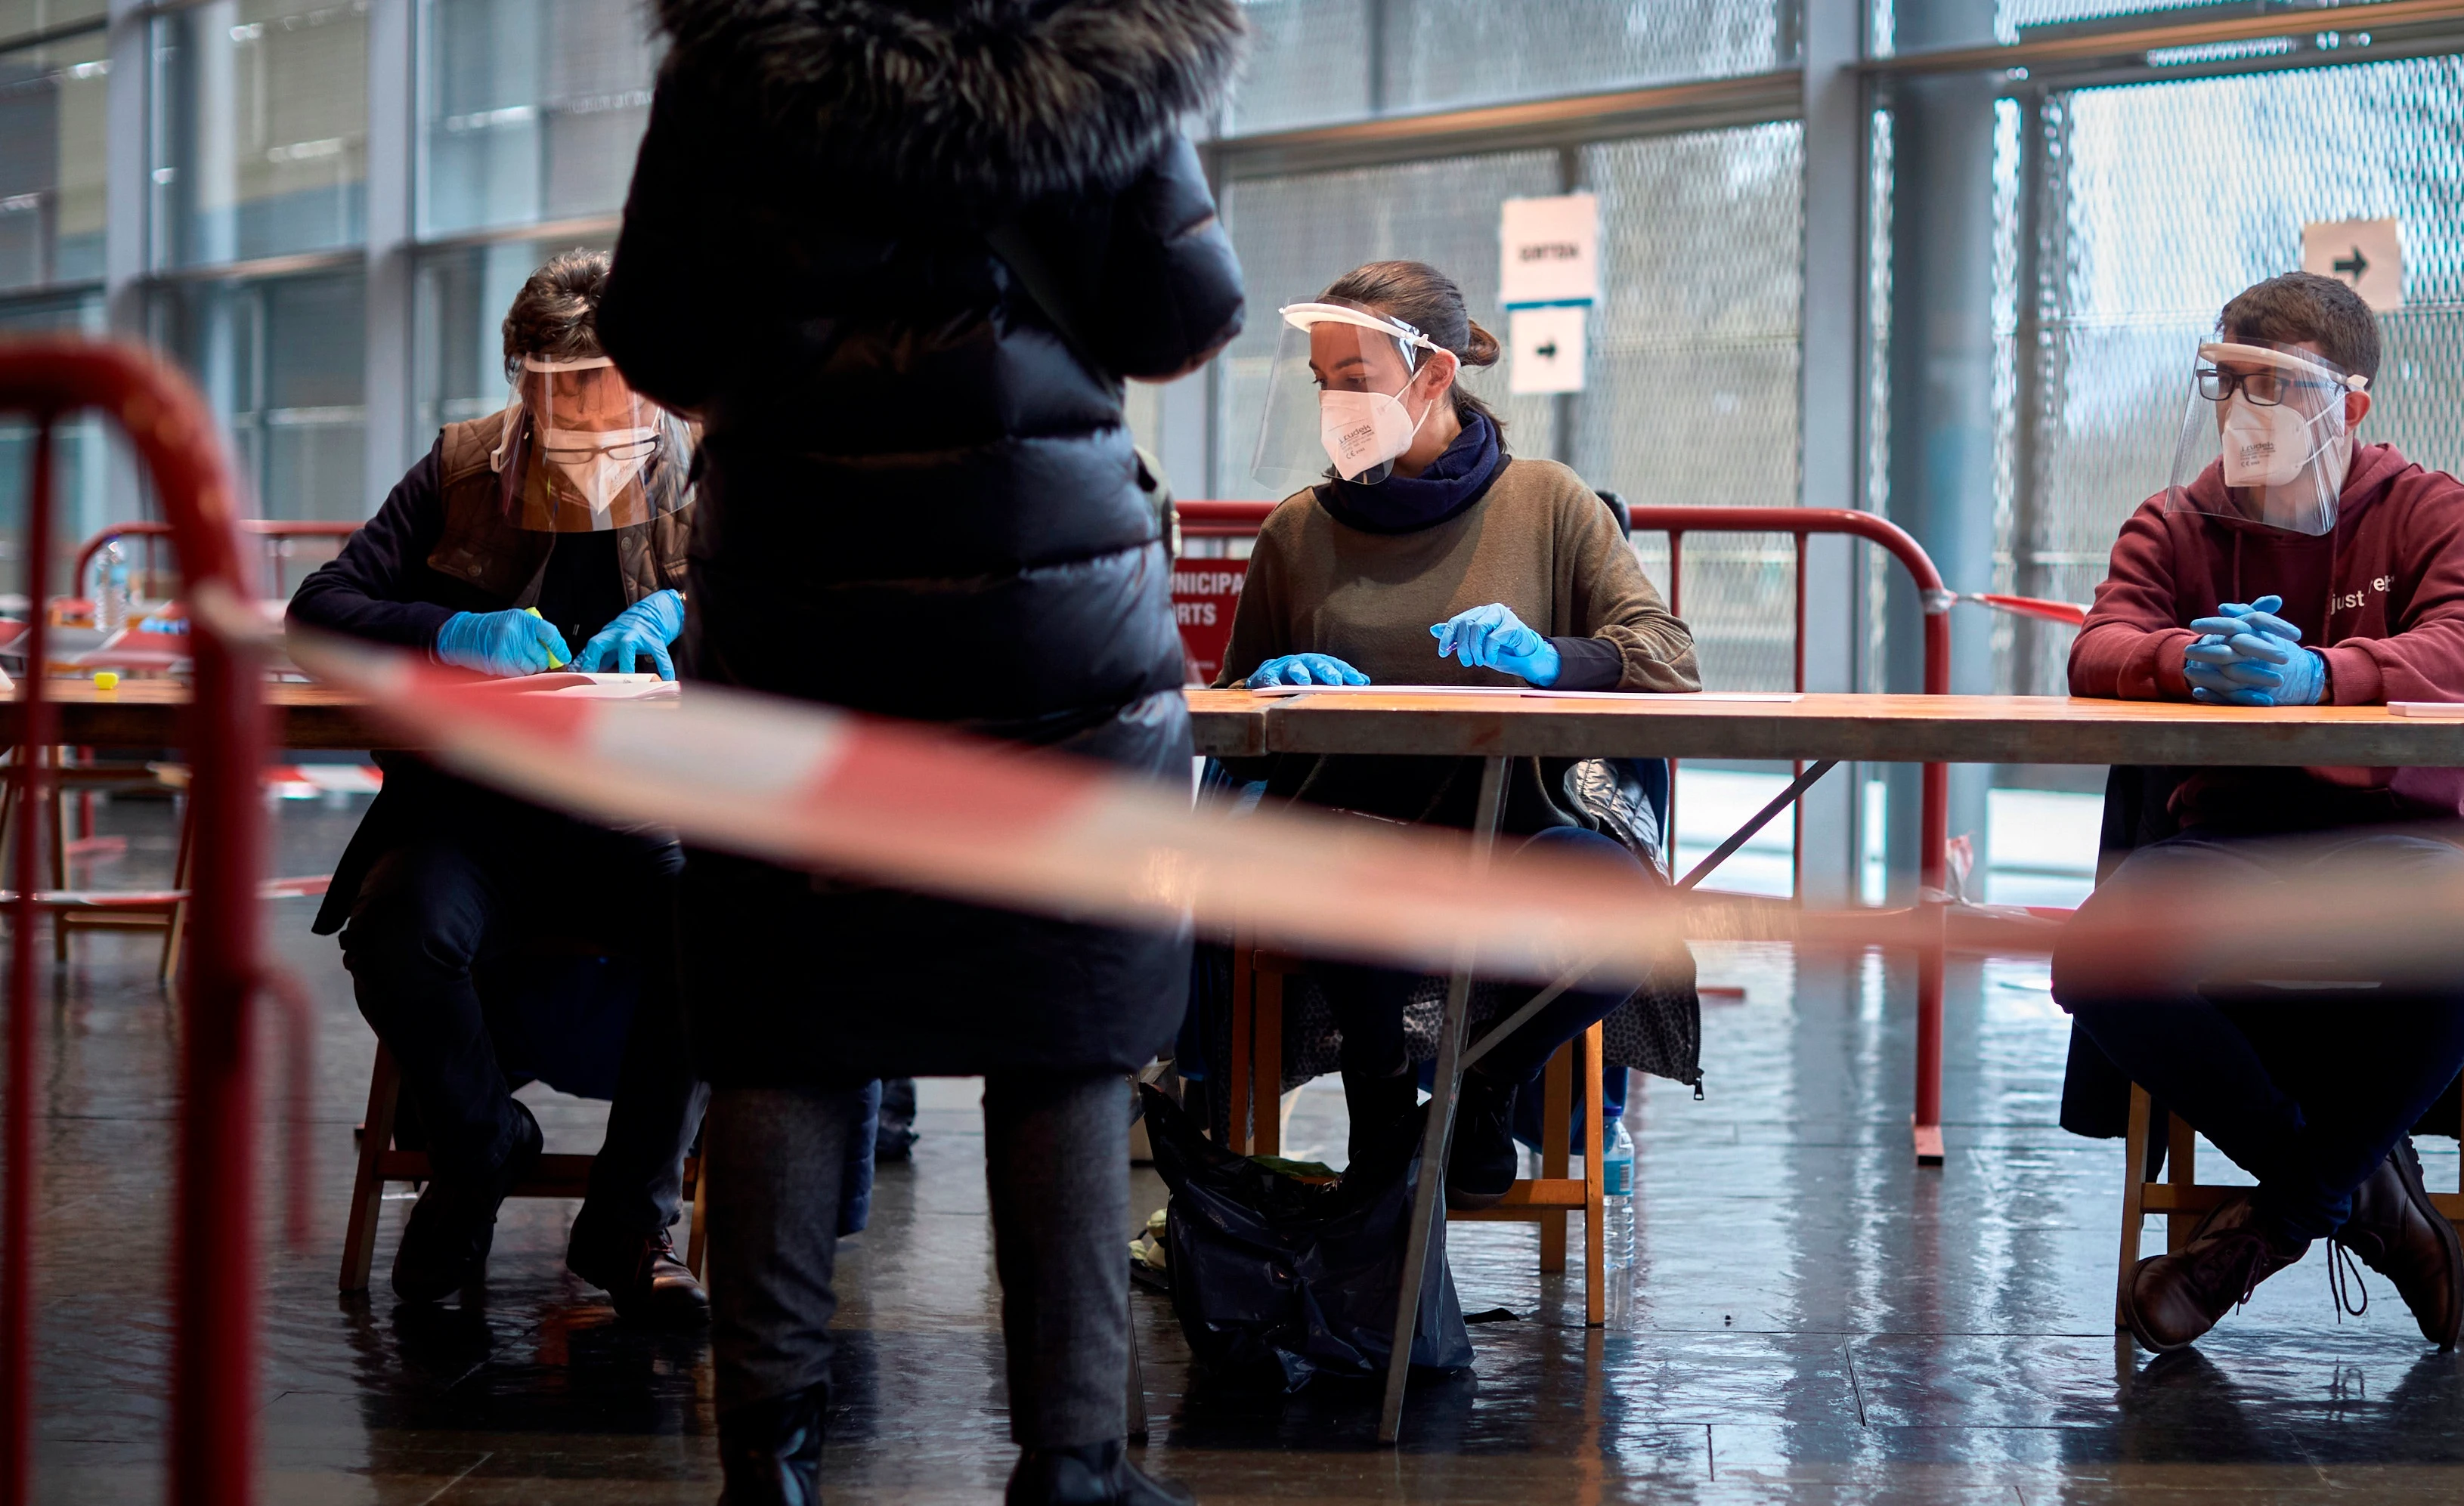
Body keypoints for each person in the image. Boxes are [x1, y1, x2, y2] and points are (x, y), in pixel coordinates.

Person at [593, 1, 1248, 1500]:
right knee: (1065, 1017)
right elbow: (1178, 315)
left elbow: (657, 335)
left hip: (797, 609)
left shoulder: (732, 65)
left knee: (782, 1011)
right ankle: (1074, 1458)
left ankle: (766, 1450)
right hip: (1052, 623)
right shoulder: (1107, 50)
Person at [2050, 272, 2464, 1354]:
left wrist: (2323, 676)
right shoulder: (2179, 519)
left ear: (2347, 406)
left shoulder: (2428, 511)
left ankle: (2268, 1228)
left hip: (2408, 833)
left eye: (2275, 386)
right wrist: (2176, 657)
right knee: (2097, 957)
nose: (2242, 409)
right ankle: (2360, 1199)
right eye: (2227, 382)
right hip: (2235, 837)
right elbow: (2096, 646)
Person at [1217, 259, 1700, 1208]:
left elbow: (1667, 654)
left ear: (1434, 376)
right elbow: (1232, 707)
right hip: (1344, 845)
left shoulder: (1549, 504)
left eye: (1354, 382)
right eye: (1324, 385)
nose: (1335, 407)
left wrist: (1551, 658)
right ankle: (1385, 1099)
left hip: (1512, 831)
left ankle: (1483, 1088)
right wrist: (1268, 682)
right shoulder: (1295, 533)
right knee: (1340, 872)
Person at [287, 249, 709, 1322]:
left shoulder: (707, 469)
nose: (573, 413)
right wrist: (449, 630)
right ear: (518, 379)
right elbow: (320, 612)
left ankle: (627, 1223)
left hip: (638, 809)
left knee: (716, 932)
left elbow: (799, 627)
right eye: (550, 387)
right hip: (473, 817)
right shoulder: (463, 468)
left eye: (597, 386)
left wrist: (679, 618)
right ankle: (476, 1151)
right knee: (396, 932)